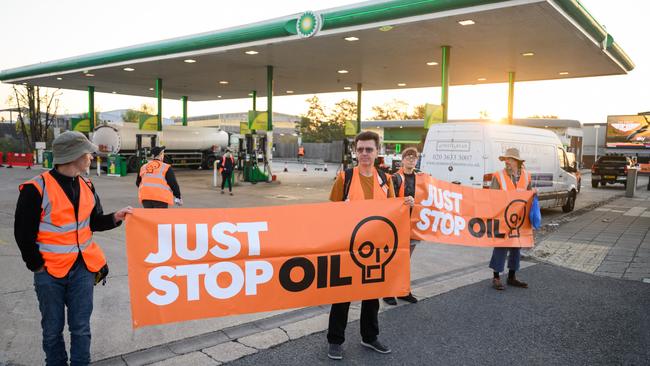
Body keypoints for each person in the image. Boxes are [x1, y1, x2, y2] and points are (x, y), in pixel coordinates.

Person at [14, 131, 132, 366]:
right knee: (52, 329)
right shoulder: (36, 189)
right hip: (49, 272)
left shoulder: (87, 184)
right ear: (74, 155)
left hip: (83, 270)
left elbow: (94, 222)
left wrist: (115, 217)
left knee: (81, 328)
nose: (91, 157)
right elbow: (23, 234)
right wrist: (36, 266)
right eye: (87, 153)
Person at [326, 131, 414, 360]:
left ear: (377, 151)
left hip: (375, 249)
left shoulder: (385, 180)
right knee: (342, 296)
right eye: (361, 149)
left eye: (369, 149)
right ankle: (335, 340)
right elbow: (329, 212)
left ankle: (369, 336)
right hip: (348, 247)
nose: (364, 153)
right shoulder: (344, 178)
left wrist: (406, 204)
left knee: (371, 296)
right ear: (355, 151)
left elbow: (393, 211)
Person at [489, 147, 531, 290]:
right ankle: (496, 277)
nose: (507, 162)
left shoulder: (526, 175)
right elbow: (491, 197)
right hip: (502, 218)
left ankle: (512, 276)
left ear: (517, 162)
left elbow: (529, 195)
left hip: (519, 219)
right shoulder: (498, 176)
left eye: (510, 159)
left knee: (516, 247)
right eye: (506, 159)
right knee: (501, 247)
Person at [383, 147, 421, 305]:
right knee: (395, 259)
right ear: (402, 160)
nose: (411, 159)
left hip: (413, 225)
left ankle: (403, 290)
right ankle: (388, 292)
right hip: (398, 226)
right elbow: (388, 201)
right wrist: (404, 201)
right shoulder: (394, 178)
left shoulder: (421, 179)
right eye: (408, 157)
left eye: (414, 157)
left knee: (406, 260)